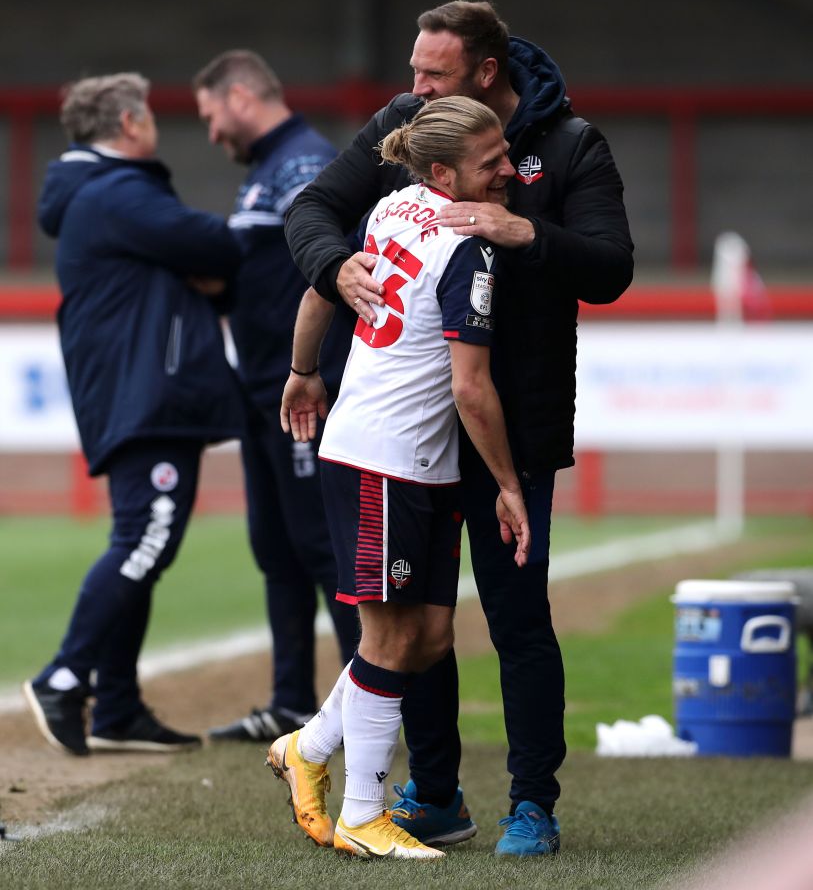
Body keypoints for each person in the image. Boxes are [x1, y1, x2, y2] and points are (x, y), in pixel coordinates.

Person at [284, 0, 634, 856]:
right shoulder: (412, 129)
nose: (410, 91)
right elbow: (309, 215)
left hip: (515, 428)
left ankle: (532, 804)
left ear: (485, 72)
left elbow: (613, 268)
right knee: (421, 624)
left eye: (429, 74)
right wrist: (338, 265)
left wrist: (527, 232)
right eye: (412, 72)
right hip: (418, 437)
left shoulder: (571, 145)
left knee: (517, 618)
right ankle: (432, 794)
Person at [267, 95, 530, 860]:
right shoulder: (468, 247)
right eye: (493, 164)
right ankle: (362, 812)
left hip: (412, 462)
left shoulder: (393, 205)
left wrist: (304, 368)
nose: (509, 170)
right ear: (446, 172)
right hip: (385, 457)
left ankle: (308, 747)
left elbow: (325, 283)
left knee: (430, 634)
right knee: (387, 637)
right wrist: (509, 486)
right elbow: (471, 388)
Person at [24, 73, 245, 756]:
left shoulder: (98, 196)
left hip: (141, 391)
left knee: (147, 543)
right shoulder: (118, 192)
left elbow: (197, 261)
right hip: (147, 394)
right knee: (144, 539)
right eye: (147, 113)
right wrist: (203, 269)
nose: (153, 123)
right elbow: (220, 244)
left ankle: (116, 705)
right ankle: (66, 676)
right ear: (128, 124)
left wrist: (194, 274)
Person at [192, 51, 358, 743]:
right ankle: (289, 701)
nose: (210, 134)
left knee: (324, 546)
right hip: (263, 393)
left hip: (304, 392)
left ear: (239, 96)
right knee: (277, 548)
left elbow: (326, 275)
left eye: (209, 117)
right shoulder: (263, 174)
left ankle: (365, 703)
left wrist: (311, 368)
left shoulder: (302, 163)